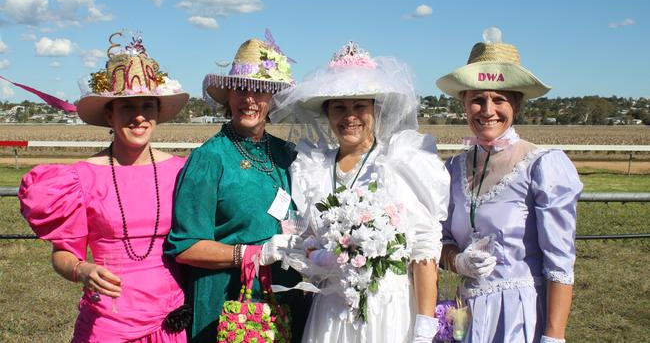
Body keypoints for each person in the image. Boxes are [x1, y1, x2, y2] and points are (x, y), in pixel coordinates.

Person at [270, 41, 450, 343]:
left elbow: (423, 249)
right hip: (331, 312)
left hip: (389, 313)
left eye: (359, 106)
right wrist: (316, 256)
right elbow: (307, 238)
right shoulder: (313, 168)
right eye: (339, 107)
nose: (349, 116)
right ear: (327, 113)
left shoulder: (399, 164)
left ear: (375, 110)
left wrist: (423, 327)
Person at [19, 33, 190, 342]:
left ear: (157, 114)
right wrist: (83, 271)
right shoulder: (80, 178)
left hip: (170, 322)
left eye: (147, 106)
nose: (138, 116)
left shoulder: (181, 171)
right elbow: (63, 254)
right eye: (127, 107)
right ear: (109, 115)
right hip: (108, 323)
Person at [435, 28, 583, 343]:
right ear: (464, 103)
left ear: (515, 104)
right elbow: (440, 241)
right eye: (477, 99)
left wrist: (553, 337)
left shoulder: (542, 165)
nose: (488, 110)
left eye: (499, 99)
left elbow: (560, 262)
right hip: (467, 315)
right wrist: (456, 260)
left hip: (521, 315)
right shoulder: (453, 168)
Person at [164, 34, 307, 343]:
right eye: (241, 89)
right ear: (228, 95)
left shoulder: (287, 154)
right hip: (228, 304)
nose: (250, 99)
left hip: (284, 297)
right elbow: (185, 246)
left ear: (273, 98)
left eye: (260, 90)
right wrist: (250, 253)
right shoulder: (209, 158)